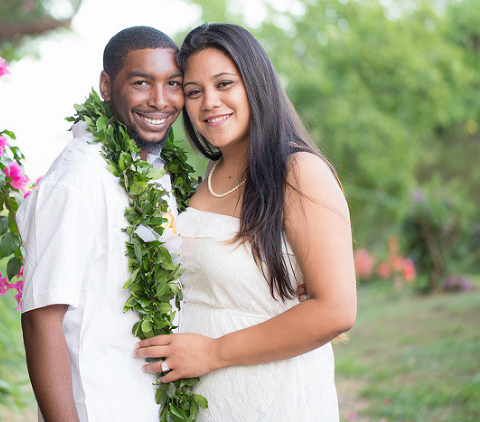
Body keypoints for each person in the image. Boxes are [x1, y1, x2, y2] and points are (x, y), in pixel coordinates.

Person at [134, 23, 357, 420]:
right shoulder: (206, 177)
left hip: (272, 399)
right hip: (204, 403)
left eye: (224, 84)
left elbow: (336, 309)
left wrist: (213, 352)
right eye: (194, 92)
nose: (209, 103)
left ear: (255, 83)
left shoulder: (299, 171)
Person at [16, 26, 184, 422]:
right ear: (107, 86)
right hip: (99, 406)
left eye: (173, 84)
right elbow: (41, 317)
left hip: (146, 403)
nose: (160, 100)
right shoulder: (80, 178)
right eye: (142, 83)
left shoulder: (146, 169)